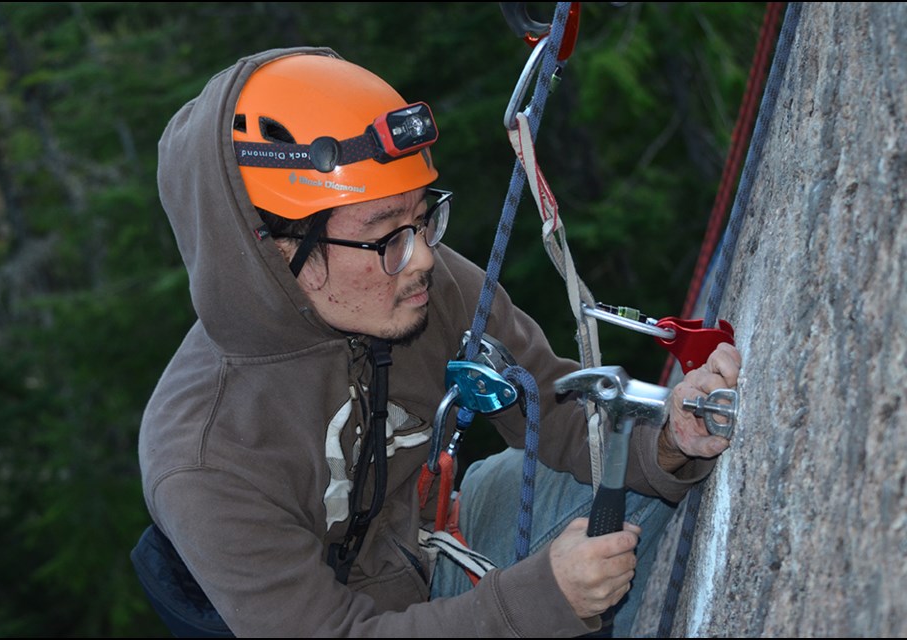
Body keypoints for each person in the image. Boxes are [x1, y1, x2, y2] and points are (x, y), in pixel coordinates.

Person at [135, 45, 742, 638]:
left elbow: (555, 412)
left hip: (434, 546)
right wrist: (533, 604)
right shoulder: (207, 457)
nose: (423, 256)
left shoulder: (422, 283)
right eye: (384, 235)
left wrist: (667, 440)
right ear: (276, 250)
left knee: (619, 494)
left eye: (422, 217)